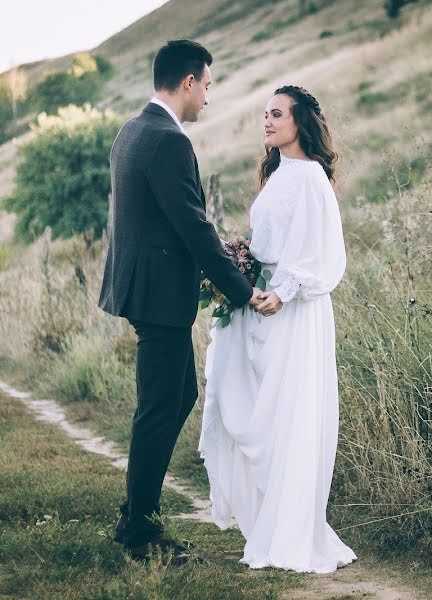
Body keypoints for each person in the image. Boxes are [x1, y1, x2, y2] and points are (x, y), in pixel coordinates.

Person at [98, 39, 265, 563]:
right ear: (189, 82)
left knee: (178, 396)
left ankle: (137, 512)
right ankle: (140, 530)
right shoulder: (167, 140)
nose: (208, 99)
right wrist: (241, 289)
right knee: (159, 407)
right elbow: (193, 227)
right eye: (208, 86)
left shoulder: (132, 130)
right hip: (157, 294)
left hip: (140, 287)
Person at [198, 85, 358, 573]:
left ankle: (290, 531)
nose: (267, 122)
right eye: (264, 114)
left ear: (300, 121)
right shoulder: (277, 176)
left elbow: (322, 255)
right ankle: (265, 514)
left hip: (293, 312)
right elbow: (270, 240)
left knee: (288, 416)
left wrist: (282, 291)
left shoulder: (311, 178)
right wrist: (241, 267)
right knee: (242, 404)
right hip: (259, 304)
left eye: (276, 114)